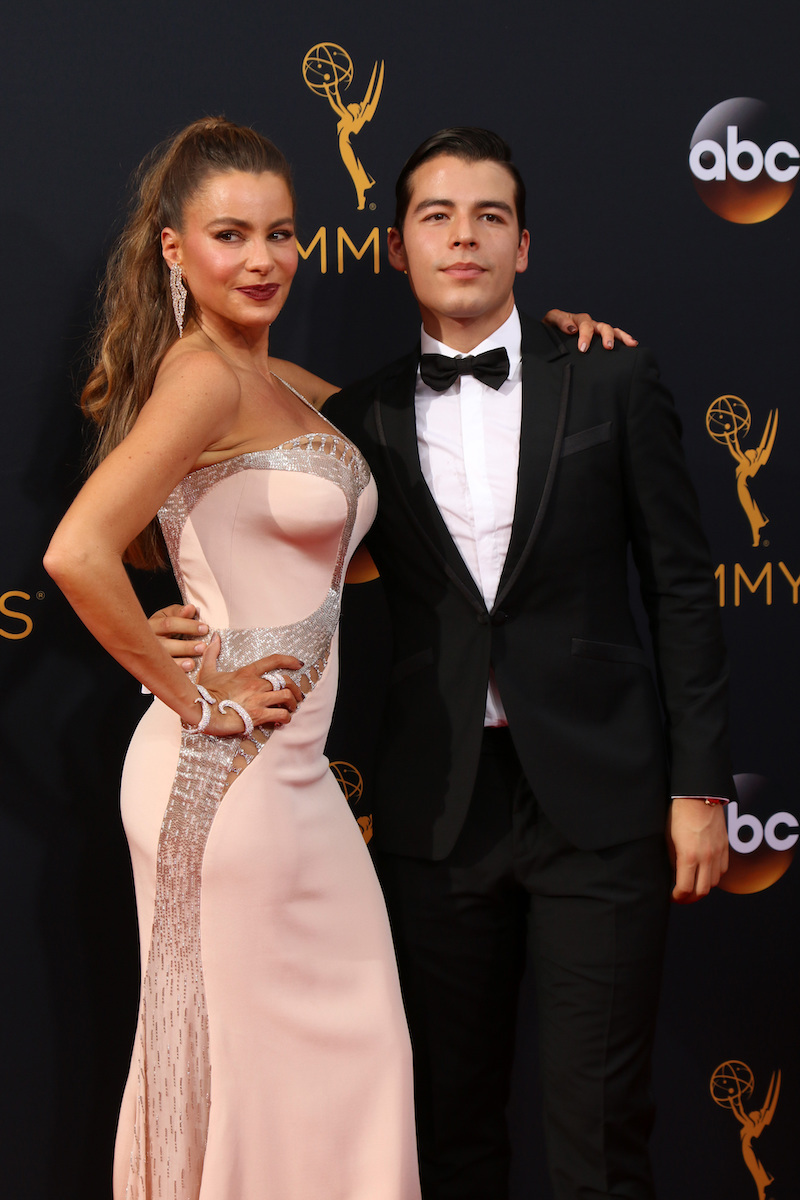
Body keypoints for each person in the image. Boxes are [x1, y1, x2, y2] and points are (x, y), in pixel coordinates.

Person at [320, 129, 732, 1200]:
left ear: (524, 245)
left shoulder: (611, 376)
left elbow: (681, 589)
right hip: (434, 811)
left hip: (601, 807)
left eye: (488, 216)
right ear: (396, 247)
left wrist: (696, 786)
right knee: (448, 1130)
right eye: (435, 216)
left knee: (597, 1130)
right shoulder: (349, 417)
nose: (463, 236)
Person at [44, 117, 421, 1200]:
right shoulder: (202, 377)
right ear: (174, 250)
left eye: (282, 234)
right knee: (246, 1073)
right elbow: (78, 551)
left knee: (341, 1061)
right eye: (228, 235)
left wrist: (548, 344)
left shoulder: (282, 378)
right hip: (224, 780)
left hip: (295, 783)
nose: (262, 260)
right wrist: (189, 690)